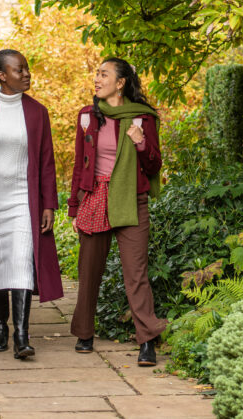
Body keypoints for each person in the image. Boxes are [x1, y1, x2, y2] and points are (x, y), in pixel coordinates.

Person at [68, 58, 167, 366]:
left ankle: (147, 340)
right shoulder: (88, 116)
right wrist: (73, 207)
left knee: (135, 273)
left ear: (121, 82)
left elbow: (154, 165)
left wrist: (140, 144)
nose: (97, 79)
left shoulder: (141, 118)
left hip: (130, 199)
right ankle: (85, 332)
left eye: (104, 74)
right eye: (96, 74)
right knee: (89, 269)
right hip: (95, 197)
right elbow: (78, 164)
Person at [0, 49, 62, 359]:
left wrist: (49, 204)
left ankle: (22, 335)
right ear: (2, 76)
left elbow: (47, 162)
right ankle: (0, 327)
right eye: (18, 70)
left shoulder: (38, 112)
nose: (26, 74)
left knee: (22, 260)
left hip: (25, 201)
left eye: (26, 69)